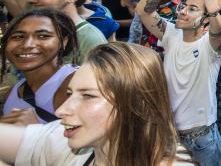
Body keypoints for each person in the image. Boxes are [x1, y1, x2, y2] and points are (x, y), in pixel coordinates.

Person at [0, 42, 194, 166]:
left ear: (135, 104)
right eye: (70, 93)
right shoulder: (66, 142)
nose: (61, 111)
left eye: (88, 96)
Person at [135, 0, 221, 166]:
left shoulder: (210, 45)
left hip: (202, 139)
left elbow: (219, 30)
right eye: (184, 6)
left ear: (205, 21)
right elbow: (143, 11)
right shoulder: (171, 34)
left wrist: (213, 11)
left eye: (192, 9)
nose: (182, 11)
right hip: (169, 134)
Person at [0, 9, 78, 125]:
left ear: (64, 42)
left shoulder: (76, 83)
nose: (27, 45)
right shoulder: (12, 93)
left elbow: (98, 137)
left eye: (43, 36)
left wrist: (38, 130)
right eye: (18, 37)